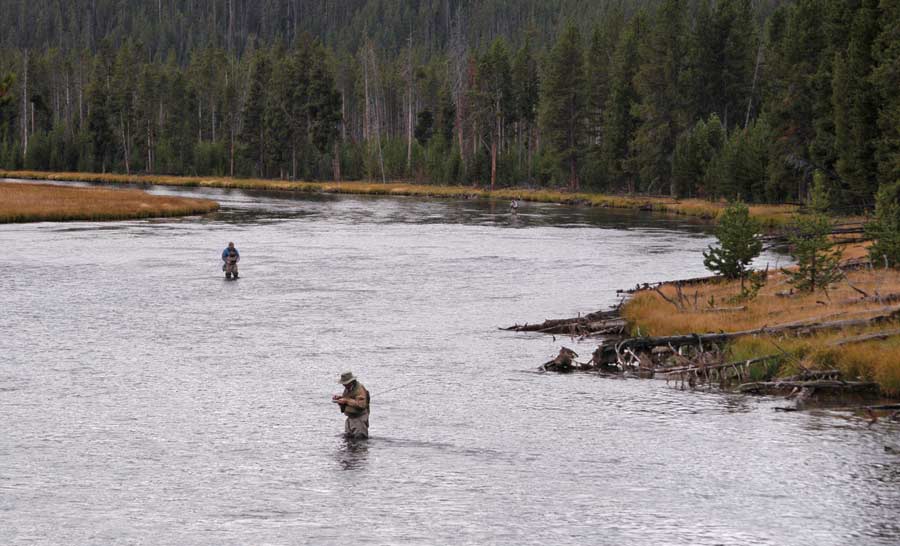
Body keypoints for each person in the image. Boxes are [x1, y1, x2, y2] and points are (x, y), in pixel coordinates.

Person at [332, 372, 370, 439]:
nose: (344, 385)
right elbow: (349, 399)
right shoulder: (348, 389)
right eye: (343, 383)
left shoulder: (360, 389)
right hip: (350, 419)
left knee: (360, 441)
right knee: (349, 440)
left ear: (351, 382)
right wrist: (340, 399)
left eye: (345, 383)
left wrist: (346, 400)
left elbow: (361, 405)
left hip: (359, 419)